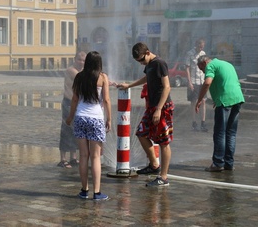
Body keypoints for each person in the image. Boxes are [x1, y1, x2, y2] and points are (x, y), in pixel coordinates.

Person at [116, 42, 173, 187]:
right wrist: (129, 85)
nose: (141, 63)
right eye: (138, 61)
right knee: (141, 133)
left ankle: (163, 177)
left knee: (163, 142)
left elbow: (167, 87)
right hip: (152, 107)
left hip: (162, 106)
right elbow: (147, 78)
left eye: (142, 60)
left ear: (148, 52)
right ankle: (154, 165)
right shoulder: (150, 65)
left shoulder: (160, 63)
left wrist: (159, 109)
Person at [66, 51, 111, 201]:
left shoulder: (79, 77)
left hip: (80, 117)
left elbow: (74, 99)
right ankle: (97, 192)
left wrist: (70, 117)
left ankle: (84, 190)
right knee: (96, 157)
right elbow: (106, 100)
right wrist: (109, 119)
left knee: (83, 156)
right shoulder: (103, 77)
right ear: (99, 63)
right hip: (96, 119)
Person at [195, 56, 244, 172]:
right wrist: (217, 99)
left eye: (202, 69)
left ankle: (217, 163)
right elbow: (225, 82)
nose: (203, 72)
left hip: (225, 101)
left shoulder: (210, 66)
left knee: (220, 133)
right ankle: (229, 163)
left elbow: (207, 83)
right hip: (237, 98)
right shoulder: (226, 63)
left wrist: (199, 100)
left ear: (204, 62)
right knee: (231, 133)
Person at [58, 51, 86, 168]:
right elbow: (82, 79)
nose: (81, 62)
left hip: (78, 103)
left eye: (84, 60)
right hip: (69, 103)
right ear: (75, 59)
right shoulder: (71, 70)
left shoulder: (83, 71)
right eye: (79, 59)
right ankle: (63, 159)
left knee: (76, 130)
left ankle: (73, 157)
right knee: (66, 129)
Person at [186, 39, 208, 132]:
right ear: (196, 45)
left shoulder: (203, 53)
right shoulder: (190, 53)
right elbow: (187, 68)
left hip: (202, 80)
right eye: (200, 46)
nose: (201, 48)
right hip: (194, 81)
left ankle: (203, 122)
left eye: (202, 46)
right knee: (193, 102)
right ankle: (194, 122)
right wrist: (189, 82)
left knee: (203, 101)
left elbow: (206, 67)